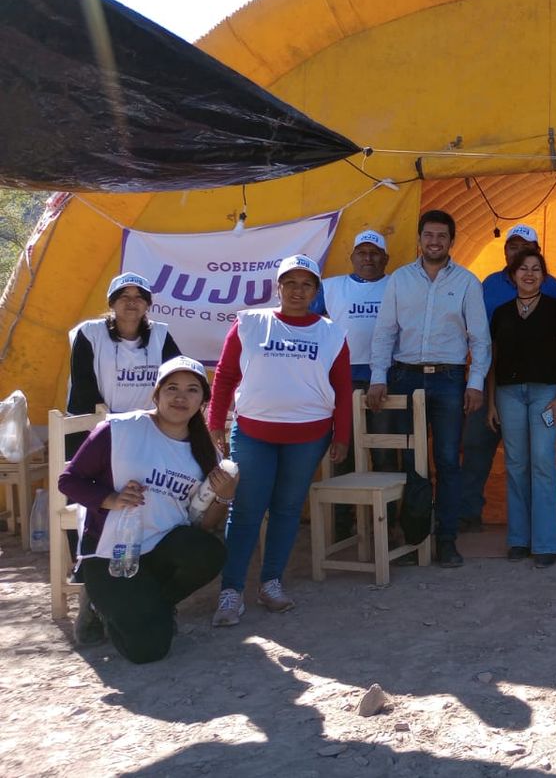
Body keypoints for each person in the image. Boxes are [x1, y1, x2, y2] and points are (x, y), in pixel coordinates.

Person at [59, 356, 235, 663]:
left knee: (209, 552)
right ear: (156, 394)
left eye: (192, 390)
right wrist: (110, 498)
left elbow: (204, 525)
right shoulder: (119, 429)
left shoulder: (206, 452)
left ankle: (152, 606)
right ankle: (102, 605)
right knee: (148, 651)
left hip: (159, 554)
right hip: (113, 555)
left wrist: (225, 497)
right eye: (172, 388)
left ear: (203, 402)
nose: (181, 397)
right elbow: (69, 481)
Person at [207, 254, 351, 626]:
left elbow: (342, 389)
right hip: (254, 433)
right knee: (246, 510)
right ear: (278, 287)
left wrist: (343, 435)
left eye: (306, 285)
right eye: (290, 283)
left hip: (308, 436)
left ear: (316, 292)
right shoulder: (250, 323)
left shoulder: (332, 333)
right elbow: (225, 375)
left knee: (287, 510)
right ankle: (231, 591)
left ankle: (271, 583)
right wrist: (215, 421)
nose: (297, 291)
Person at [368, 210, 490, 567]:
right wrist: (378, 377)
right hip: (405, 378)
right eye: (428, 235)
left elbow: (480, 339)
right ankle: (414, 538)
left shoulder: (467, 282)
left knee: (448, 460)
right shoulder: (400, 280)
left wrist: (475, 383)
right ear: (419, 239)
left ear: (452, 241)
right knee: (411, 461)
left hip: (449, 380)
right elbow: (384, 332)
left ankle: (447, 540)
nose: (434, 242)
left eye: (442, 236)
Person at [460, 225, 556, 532]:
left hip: (541, 387)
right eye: (513, 246)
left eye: (526, 246)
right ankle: (468, 511)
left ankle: (538, 525)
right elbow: (478, 333)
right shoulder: (488, 285)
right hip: (493, 381)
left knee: (537, 456)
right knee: (477, 444)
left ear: (538, 251)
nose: (518, 251)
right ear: (505, 250)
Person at [487, 250, 556, 568]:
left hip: (546, 394)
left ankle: (546, 543)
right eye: (523, 268)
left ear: (544, 276)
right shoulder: (501, 313)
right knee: (516, 464)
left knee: (542, 461)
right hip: (508, 394)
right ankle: (519, 540)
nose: (529, 274)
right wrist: (491, 402)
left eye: (536, 269)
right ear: (512, 275)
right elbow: (493, 360)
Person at [313, 230, 394, 538]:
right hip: (341, 380)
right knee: (341, 451)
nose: (368, 258)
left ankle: (385, 526)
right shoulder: (330, 287)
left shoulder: (397, 285)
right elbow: (307, 322)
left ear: (386, 258)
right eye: (362, 252)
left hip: (384, 380)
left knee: (385, 453)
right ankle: (342, 527)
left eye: (375, 253)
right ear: (352, 257)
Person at [67, 271, 182, 418]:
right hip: (97, 423)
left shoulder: (160, 334)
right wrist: (110, 422)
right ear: (112, 303)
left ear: (147, 304)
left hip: (146, 423)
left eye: (139, 297)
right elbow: (83, 384)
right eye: (124, 296)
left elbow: (177, 374)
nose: (132, 302)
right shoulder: (90, 333)